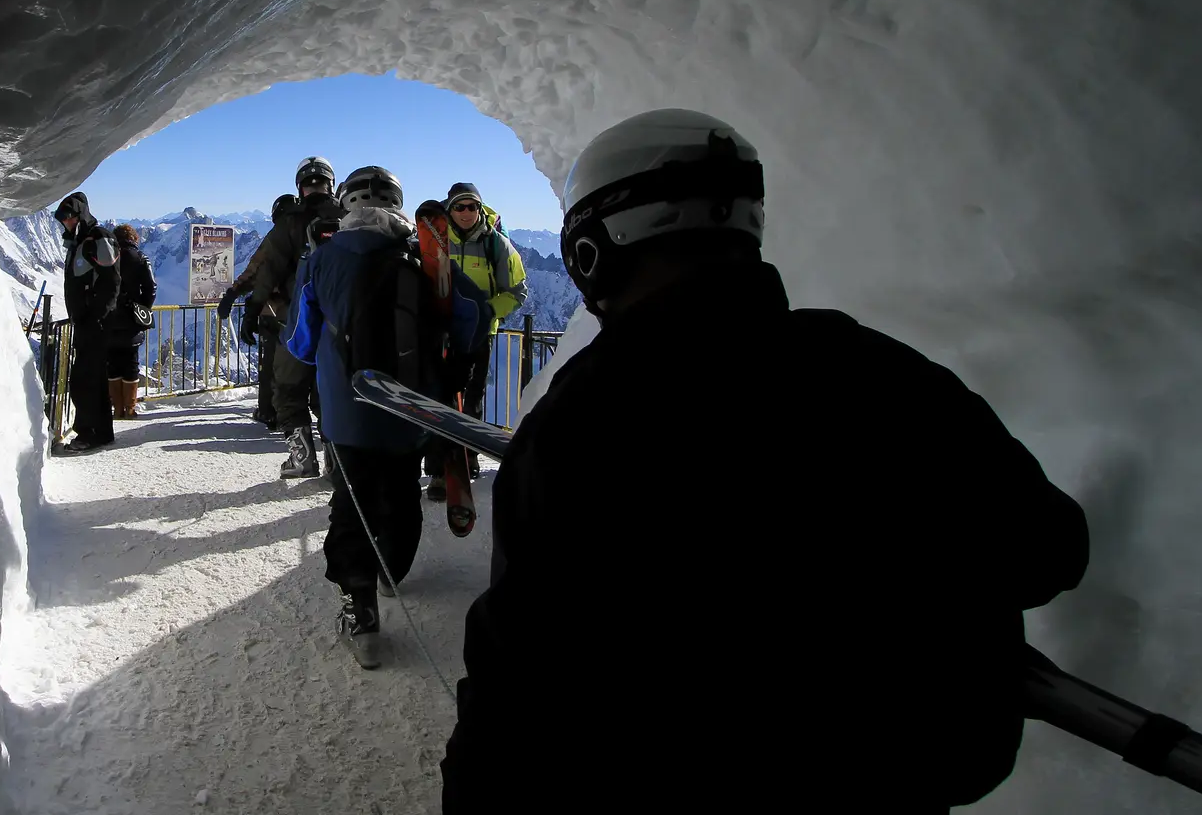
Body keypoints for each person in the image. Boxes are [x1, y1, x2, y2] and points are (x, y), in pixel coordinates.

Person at [440, 109, 1090, 812]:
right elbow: (1050, 549)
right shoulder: (881, 373)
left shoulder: (578, 429)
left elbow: (518, 687)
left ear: (593, 251)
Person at [284, 165, 481, 668]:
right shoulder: (422, 258)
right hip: (408, 410)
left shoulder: (321, 260)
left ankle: (362, 610)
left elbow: (301, 343)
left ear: (345, 206)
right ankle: (392, 569)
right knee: (399, 492)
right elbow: (469, 317)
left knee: (351, 502)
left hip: (346, 410)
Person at [425, 182, 528, 501]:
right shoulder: (435, 241)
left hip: (480, 333)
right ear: (449, 210)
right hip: (441, 333)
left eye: (472, 207)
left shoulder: (496, 245)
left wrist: (484, 312)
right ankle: (441, 468)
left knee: (472, 397)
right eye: (459, 207)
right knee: (439, 398)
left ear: (480, 209)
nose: (466, 213)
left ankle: (468, 454)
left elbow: (516, 291)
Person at [243, 157, 345, 478]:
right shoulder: (350, 218)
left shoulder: (288, 223)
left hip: (296, 321)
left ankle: (302, 457)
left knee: (288, 388)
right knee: (334, 390)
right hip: (342, 325)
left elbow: (264, 272)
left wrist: (252, 310)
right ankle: (336, 459)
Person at [217, 193, 300, 429]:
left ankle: (269, 411)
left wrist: (233, 295)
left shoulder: (279, 235)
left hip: (276, 310)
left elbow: (258, 270)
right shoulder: (312, 228)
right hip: (313, 310)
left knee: (271, 365)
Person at [54, 191, 120, 453]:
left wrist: (97, 315)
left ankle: (88, 433)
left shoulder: (97, 238)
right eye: (63, 219)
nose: (67, 223)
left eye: (70, 217)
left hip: (94, 323)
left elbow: (111, 281)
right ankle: (101, 432)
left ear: (80, 215)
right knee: (93, 378)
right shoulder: (81, 241)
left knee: (84, 379)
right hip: (88, 321)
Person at [103, 223, 157, 420]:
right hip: (132, 320)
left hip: (108, 318)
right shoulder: (141, 258)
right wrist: (142, 309)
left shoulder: (107, 257)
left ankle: (116, 409)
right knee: (131, 363)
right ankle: (130, 408)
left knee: (113, 364)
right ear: (134, 238)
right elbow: (151, 288)